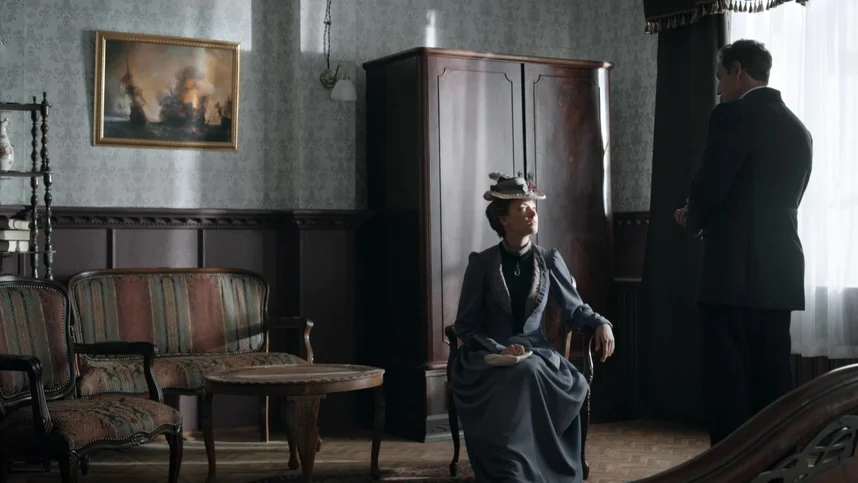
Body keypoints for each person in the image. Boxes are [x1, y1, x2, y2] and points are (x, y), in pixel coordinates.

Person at [674, 39, 813, 446]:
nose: (719, 89)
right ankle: (777, 463)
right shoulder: (799, 129)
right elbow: (787, 199)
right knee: (774, 381)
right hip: (782, 270)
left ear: (738, 71)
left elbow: (711, 181)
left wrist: (691, 216)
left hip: (732, 272)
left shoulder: (731, 115)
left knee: (728, 384)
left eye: (720, 77)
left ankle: (731, 470)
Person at [450, 172, 616, 482]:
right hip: (487, 356)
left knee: (533, 371)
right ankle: (512, 470)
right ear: (504, 220)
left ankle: (542, 468)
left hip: (536, 352)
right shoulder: (482, 264)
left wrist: (601, 322)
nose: (532, 213)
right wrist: (499, 350)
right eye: (522, 208)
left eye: (533, 207)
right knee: (522, 373)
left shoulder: (549, 260)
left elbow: (575, 308)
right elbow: (466, 326)